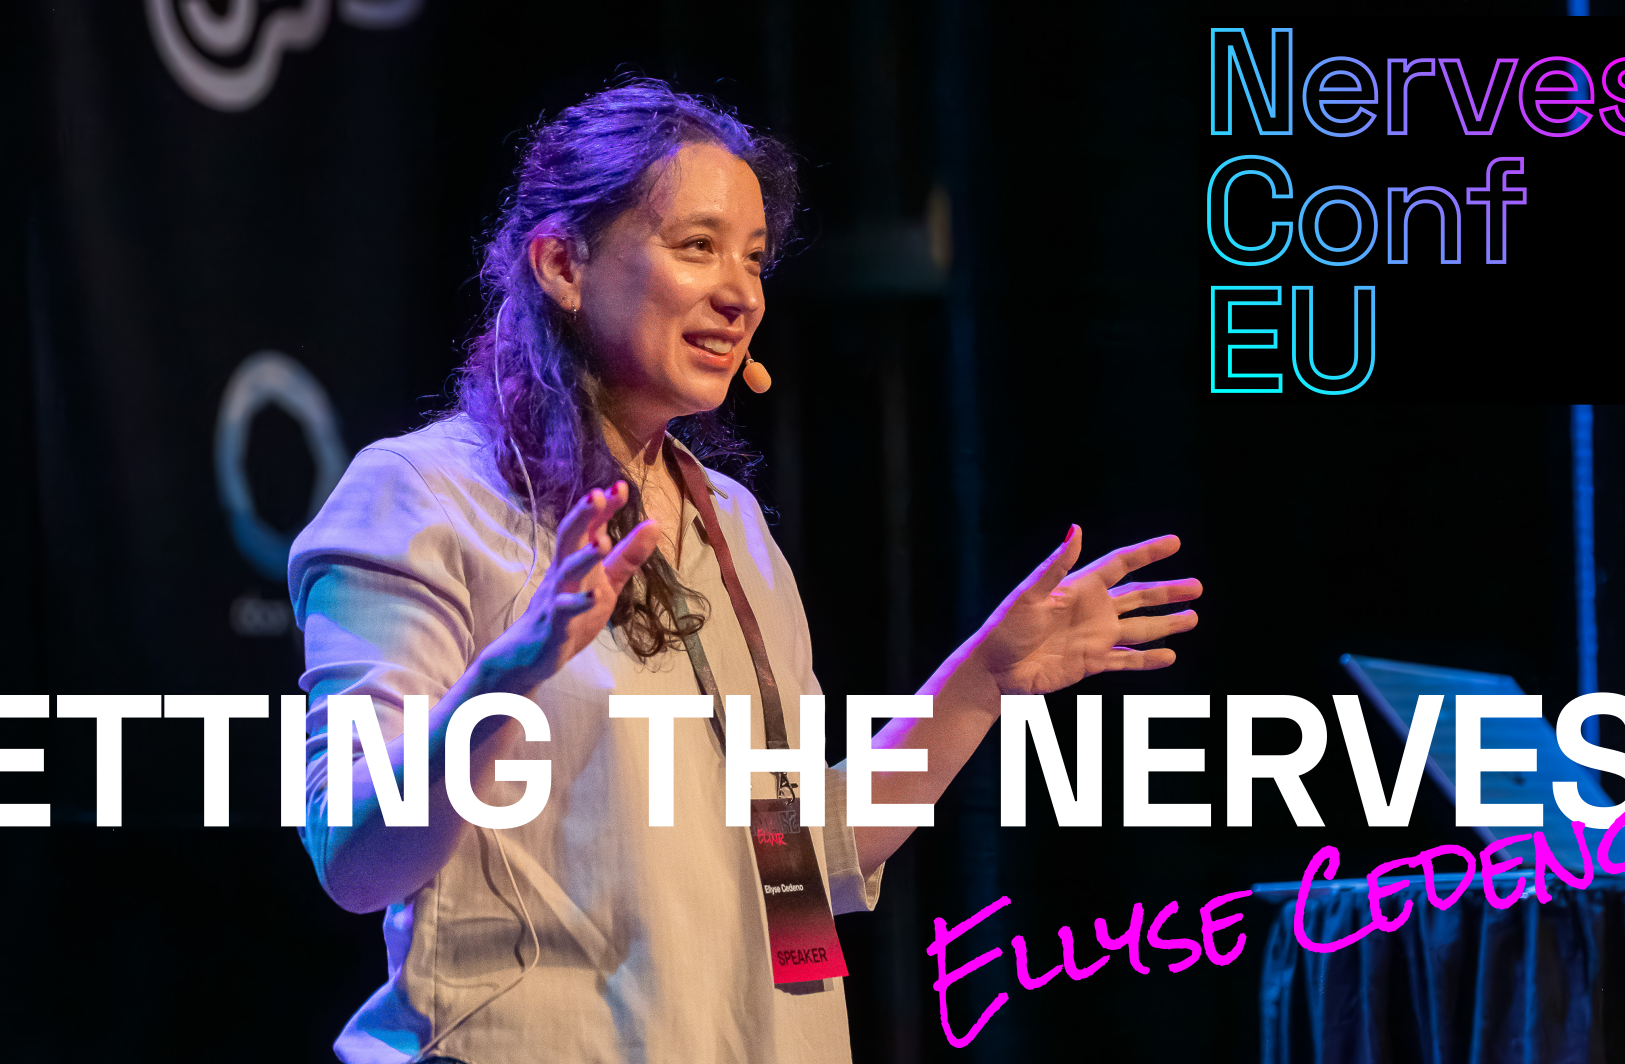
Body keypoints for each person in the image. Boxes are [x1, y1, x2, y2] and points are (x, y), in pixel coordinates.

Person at [289, 79, 1201, 1064]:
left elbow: (798, 861)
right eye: (697, 246)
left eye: (755, 258)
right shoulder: (422, 499)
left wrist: (983, 681)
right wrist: (516, 669)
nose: (742, 293)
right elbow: (356, 856)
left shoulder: (730, 527)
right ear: (561, 263)